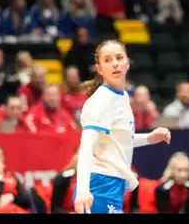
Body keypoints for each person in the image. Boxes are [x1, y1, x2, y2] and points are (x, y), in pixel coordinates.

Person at [73, 39, 172, 214]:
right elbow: (87, 147)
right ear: (99, 68)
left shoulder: (123, 96)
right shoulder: (100, 100)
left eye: (119, 58)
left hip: (114, 184)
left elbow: (117, 141)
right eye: (107, 60)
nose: (115, 64)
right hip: (99, 183)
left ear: (127, 62)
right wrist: (82, 190)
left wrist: (149, 138)